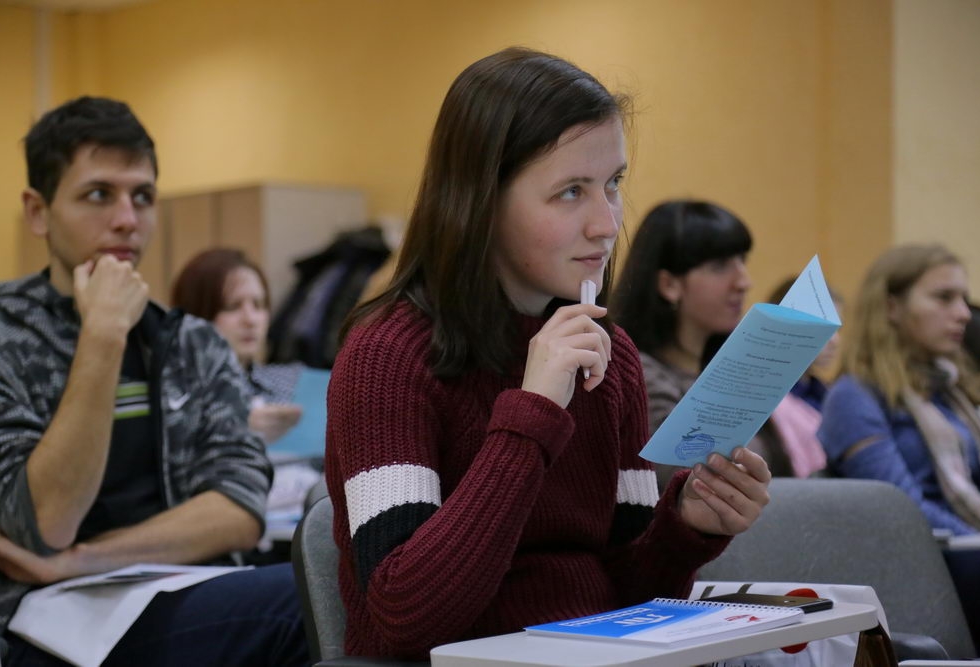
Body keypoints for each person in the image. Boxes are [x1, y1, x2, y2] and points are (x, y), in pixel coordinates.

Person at [324, 47, 772, 661]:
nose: (606, 223)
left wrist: (687, 528)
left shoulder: (612, 356)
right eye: (570, 192)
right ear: (481, 200)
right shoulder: (388, 356)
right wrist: (532, 413)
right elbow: (408, 616)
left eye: (613, 184)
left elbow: (628, 595)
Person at [0, 96, 309, 666]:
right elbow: (45, 523)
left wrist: (82, 559)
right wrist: (103, 335)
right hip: (43, 620)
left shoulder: (191, 342)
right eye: (98, 195)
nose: (127, 220)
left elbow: (238, 507)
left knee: (332, 589)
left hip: (175, 590)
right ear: (38, 212)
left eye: (142, 197)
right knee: (306, 602)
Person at [612, 200, 787, 488]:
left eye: (742, 261)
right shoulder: (638, 374)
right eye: (720, 266)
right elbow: (682, 478)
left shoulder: (727, 373)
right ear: (669, 285)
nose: (744, 282)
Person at [818, 244, 980, 535]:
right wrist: (976, 542)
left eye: (963, 299)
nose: (963, 314)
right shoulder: (853, 396)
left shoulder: (951, 391)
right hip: (925, 553)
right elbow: (901, 509)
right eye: (944, 298)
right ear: (892, 307)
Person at [171, 248, 303, 444]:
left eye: (259, 305)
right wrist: (236, 428)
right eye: (232, 306)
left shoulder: (295, 381)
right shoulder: (174, 396)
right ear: (196, 314)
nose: (250, 320)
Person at [760, 276, 845, 478]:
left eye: (837, 329)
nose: (835, 340)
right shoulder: (771, 401)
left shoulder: (828, 392)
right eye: (823, 328)